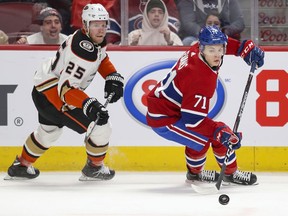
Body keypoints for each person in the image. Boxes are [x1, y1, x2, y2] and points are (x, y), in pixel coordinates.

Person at [4, 3, 124, 181]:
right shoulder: (82, 51)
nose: (101, 29)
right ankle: (94, 168)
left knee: (49, 130)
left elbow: (101, 57)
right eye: (95, 24)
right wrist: (88, 104)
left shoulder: (89, 39)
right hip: (55, 96)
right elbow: (66, 90)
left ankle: (21, 165)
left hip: (41, 89)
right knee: (101, 123)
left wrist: (111, 75)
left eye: (103, 24)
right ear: (85, 25)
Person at [146, 25, 264, 185]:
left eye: (219, 49)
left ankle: (197, 174)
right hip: (164, 118)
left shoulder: (199, 49)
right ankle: (227, 173)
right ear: (202, 49)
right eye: (211, 50)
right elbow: (193, 121)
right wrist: (220, 133)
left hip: (170, 106)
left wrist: (244, 48)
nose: (217, 55)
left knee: (206, 137)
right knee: (215, 135)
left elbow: (222, 43)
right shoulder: (200, 78)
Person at [176, 0, 245, 45]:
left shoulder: (229, 1)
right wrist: (207, 34)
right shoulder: (188, 1)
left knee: (239, 44)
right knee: (187, 42)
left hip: (224, 37)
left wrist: (223, 32)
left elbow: (239, 22)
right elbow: (188, 23)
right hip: (197, 38)